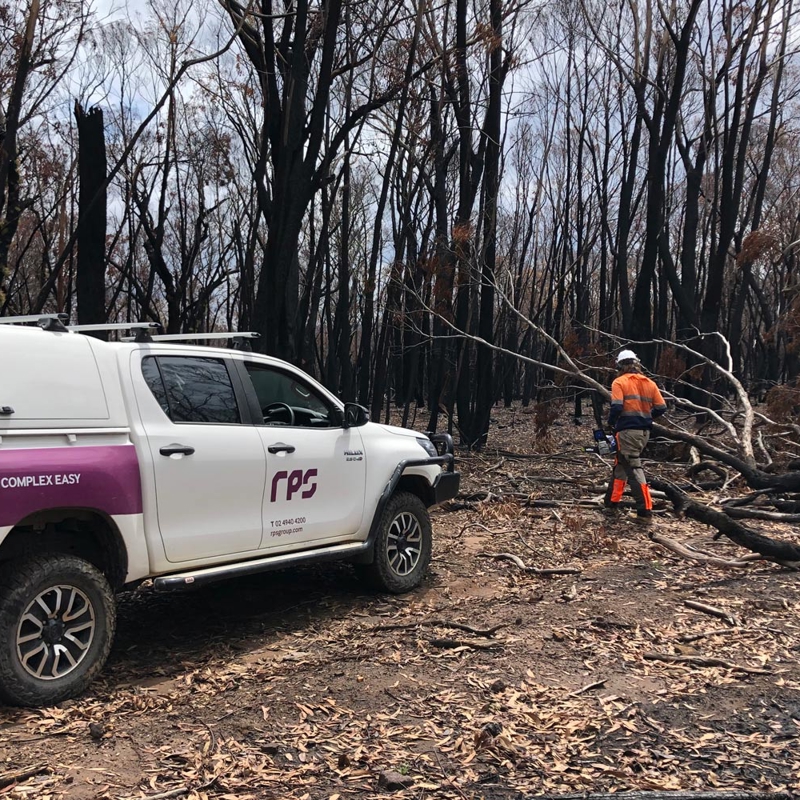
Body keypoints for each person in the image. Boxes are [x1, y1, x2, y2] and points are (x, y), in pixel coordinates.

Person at [603, 349, 667, 524]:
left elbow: (616, 407)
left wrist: (610, 423)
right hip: (643, 433)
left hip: (627, 433)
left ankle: (645, 512)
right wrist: (645, 417)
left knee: (633, 468)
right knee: (621, 466)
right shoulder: (649, 383)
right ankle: (611, 504)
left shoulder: (619, 382)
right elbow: (661, 407)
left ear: (620, 365)